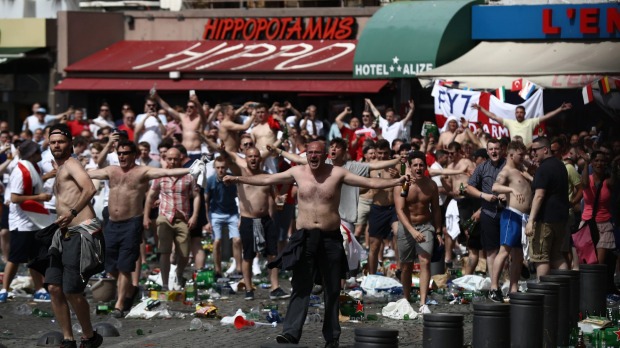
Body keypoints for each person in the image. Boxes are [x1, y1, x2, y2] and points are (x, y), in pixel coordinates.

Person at [222, 141, 406, 347]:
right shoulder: (298, 172)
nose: (313, 156)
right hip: (305, 237)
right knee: (301, 285)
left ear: (325, 155)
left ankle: (332, 337)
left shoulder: (337, 173)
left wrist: (397, 181)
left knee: (332, 287)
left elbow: (369, 182)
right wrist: (237, 178)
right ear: (306, 154)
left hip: (330, 237)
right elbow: (267, 179)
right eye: (310, 153)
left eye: (318, 153)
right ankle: (291, 332)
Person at [88, 140, 193, 317]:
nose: (122, 156)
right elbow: (90, 172)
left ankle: (120, 305)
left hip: (131, 223)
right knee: (110, 266)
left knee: (125, 267)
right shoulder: (112, 170)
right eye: (119, 153)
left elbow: (167, 171)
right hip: (112, 223)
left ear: (134, 155)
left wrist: (191, 169)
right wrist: (63, 169)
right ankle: (130, 291)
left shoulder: (141, 171)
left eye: (126, 153)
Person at [44, 124, 103, 347]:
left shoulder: (72, 163)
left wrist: (73, 212)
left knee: (72, 289)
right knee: (54, 287)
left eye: (60, 141)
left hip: (81, 232)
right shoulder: (59, 168)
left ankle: (89, 337)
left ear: (70, 143)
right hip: (63, 233)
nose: (56, 145)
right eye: (53, 142)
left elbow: (90, 188)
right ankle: (68, 339)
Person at [0, 140, 52, 303]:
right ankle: (4, 289)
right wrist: (40, 197)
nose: (40, 155)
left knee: (34, 257)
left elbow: (34, 183)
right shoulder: (20, 171)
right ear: (31, 155)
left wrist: (48, 176)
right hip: (22, 221)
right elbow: (15, 197)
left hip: (33, 220)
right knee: (15, 258)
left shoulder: (32, 168)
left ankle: (39, 289)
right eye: (37, 152)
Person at [143, 147, 199, 290]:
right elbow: (150, 196)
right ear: (165, 159)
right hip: (165, 217)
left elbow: (197, 195)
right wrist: (146, 216)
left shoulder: (189, 176)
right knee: (164, 251)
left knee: (185, 253)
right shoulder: (160, 176)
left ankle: (179, 273)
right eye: (170, 159)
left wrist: (195, 216)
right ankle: (165, 284)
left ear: (180, 159)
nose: (173, 161)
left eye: (175, 159)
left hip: (182, 218)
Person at [394, 151, 442, 314]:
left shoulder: (431, 185)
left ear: (425, 167)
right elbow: (400, 210)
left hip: (426, 226)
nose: (418, 168)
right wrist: (412, 232)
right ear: (410, 167)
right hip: (407, 227)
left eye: (421, 165)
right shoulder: (403, 184)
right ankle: (406, 299)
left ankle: (423, 302)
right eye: (415, 165)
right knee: (406, 266)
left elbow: (435, 209)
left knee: (425, 262)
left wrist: (438, 231)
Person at [489, 141, 532, 301]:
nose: (523, 158)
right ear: (511, 154)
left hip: (523, 217)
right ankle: (494, 287)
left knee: (518, 255)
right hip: (511, 215)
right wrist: (511, 189)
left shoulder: (521, 170)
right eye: (521, 155)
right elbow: (495, 187)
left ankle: (514, 288)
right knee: (504, 251)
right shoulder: (506, 171)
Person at [525, 137, 569, 277]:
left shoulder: (544, 168)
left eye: (535, 150)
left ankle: (543, 295)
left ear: (545, 149)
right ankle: (565, 291)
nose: (533, 153)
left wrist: (531, 221)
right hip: (560, 219)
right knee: (556, 256)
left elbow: (539, 195)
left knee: (541, 257)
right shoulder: (560, 165)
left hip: (545, 220)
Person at [465, 139, 506, 278]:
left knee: (508, 250)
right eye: (491, 149)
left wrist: (507, 193)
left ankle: (507, 282)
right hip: (489, 212)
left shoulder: (509, 166)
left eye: (496, 148)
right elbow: (469, 187)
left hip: (507, 212)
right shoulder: (482, 167)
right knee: (491, 251)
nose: (494, 151)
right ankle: (494, 285)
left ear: (502, 150)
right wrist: (484, 195)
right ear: (487, 151)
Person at [580, 151, 616, 292]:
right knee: (587, 262)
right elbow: (583, 184)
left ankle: (597, 292)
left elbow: (614, 182)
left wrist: (613, 165)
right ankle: (586, 291)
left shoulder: (608, 181)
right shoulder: (587, 179)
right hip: (587, 224)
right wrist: (586, 164)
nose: (599, 163)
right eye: (596, 161)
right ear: (592, 163)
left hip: (604, 225)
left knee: (598, 264)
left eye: (602, 161)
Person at [205, 156, 242, 277]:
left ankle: (239, 268)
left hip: (232, 212)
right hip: (216, 213)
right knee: (217, 241)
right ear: (215, 168)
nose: (221, 170)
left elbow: (240, 197)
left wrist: (241, 216)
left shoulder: (232, 179)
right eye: (218, 168)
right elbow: (206, 201)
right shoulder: (210, 181)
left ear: (226, 168)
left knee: (237, 240)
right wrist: (208, 221)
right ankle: (217, 270)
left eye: (223, 167)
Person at [471, 102, 573, 146]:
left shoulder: (531, 122)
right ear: (515, 114)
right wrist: (480, 109)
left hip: (528, 152)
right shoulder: (510, 123)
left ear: (524, 114)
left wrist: (560, 109)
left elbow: (547, 116)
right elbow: (493, 116)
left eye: (521, 112)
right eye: (517, 112)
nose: (519, 114)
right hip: (514, 153)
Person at [153, 92, 207, 159]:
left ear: (196, 108)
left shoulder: (199, 118)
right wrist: (157, 97)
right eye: (187, 106)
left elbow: (203, 115)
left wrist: (197, 102)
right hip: (184, 152)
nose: (188, 108)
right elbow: (168, 108)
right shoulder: (183, 117)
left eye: (191, 107)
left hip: (196, 151)